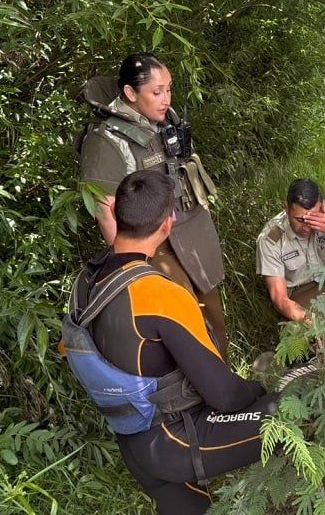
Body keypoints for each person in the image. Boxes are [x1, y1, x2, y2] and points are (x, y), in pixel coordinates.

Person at [64, 170, 278, 514]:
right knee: (298, 413)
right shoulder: (160, 294)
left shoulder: (86, 283)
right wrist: (262, 389)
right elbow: (225, 396)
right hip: (177, 441)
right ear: (168, 224)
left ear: (117, 210)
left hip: (133, 442)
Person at [78, 52, 228, 360]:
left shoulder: (164, 120)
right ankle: (202, 395)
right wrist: (134, 269)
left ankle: (225, 379)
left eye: (169, 89)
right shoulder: (105, 139)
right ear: (131, 93)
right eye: (156, 92)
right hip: (152, 245)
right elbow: (106, 210)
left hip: (187, 232)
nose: (165, 98)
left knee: (213, 313)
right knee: (184, 318)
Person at [256, 179, 325, 321]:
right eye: (300, 220)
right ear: (286, 208)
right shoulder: (271, 238)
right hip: (301, 294)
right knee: (306, 335)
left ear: (322, 207)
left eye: (314, 218)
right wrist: (319, 327)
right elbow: (280, 300)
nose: (307, 227)